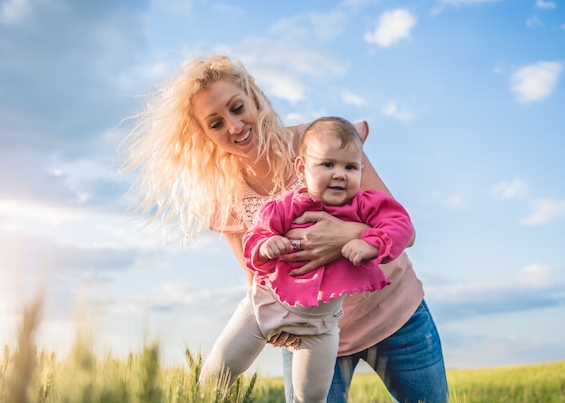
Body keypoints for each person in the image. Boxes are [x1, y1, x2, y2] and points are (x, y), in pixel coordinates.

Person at [120, 54, 448, 402]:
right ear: (204, 136)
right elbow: (255, 277)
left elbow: (405, 233)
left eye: (236, 107)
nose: (233, 126)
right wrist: (275, 330)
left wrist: (343, 236)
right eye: (215, 123)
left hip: (395, 316)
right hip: (310, 337)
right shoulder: (226, 196)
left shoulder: (323, 141)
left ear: (255, 98)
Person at [199, 116, 415, 402]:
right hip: (264, 307)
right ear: (303, 168)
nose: (339, 174)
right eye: (327, 165)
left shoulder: (366, 206)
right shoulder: (289, 205)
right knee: (218, 371)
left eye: (350, 167)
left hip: (321, 327)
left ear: (361, 171)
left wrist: (371, 242)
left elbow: (402, 226)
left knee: (311, 397)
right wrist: (266, 245)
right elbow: (255, 237)